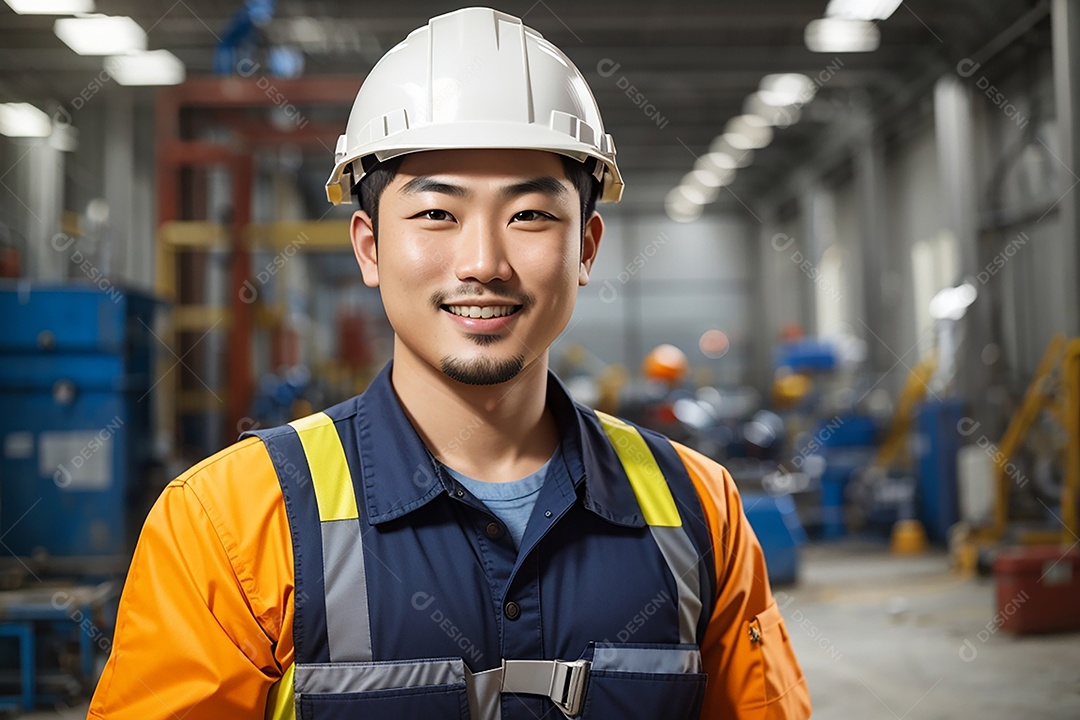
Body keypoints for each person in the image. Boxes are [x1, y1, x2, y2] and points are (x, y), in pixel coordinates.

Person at [88, 7, 810, 719]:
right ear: (369, 247)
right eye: (437, 213)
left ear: (586, 246)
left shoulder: (699, 511)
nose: (483, 264)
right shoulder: (232, 523)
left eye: (529, 214)